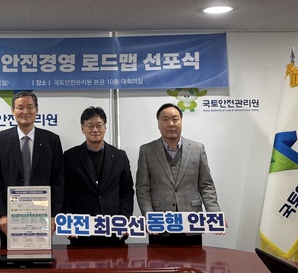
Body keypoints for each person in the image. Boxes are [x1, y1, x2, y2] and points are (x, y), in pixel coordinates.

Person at [136, 103, 225, 246]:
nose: (171, 124)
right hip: (160, 225)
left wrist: (214, 213)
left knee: (194, 260)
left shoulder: (197, 149)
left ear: (181, 121)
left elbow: (206, 186)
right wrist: (148, 216)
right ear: (158, 123)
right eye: (165, 119)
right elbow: (143, 188)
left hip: (192, 223)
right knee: (158, 260)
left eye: (175, 119)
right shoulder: (146, 151)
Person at [0, 91, 64, 247]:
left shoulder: (51, 140)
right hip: (10, 218)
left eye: (30, 107)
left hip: (43, 217)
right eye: (20, 108)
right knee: (10, 259)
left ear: (37, 110)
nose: (25, 112)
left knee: (42, 259)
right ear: (12, 111)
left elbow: (59, 180)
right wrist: (2, 214)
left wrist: (54, 216)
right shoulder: (0, 140)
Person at [63, 106, 134, 246]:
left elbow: (126, 191)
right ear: (82, 129)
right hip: (81, 230)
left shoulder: (119, 156)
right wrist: (68, 221)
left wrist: (124, 219)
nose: (95, 130)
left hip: (113, 229)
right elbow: (66, 192)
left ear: (105, 128)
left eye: (99, 125)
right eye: (90, 126)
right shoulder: (70, 156)